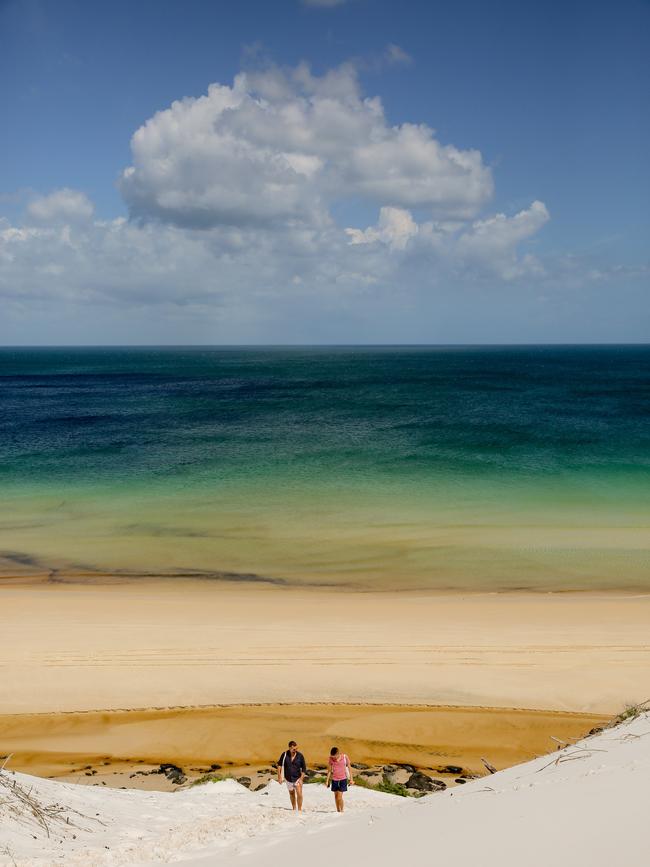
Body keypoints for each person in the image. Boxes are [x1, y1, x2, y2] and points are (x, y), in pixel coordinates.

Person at [276, 740, 307, 811]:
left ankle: (299, 809)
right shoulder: (284, 754)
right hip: (288, 778)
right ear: (289, 748)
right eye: (293, 749)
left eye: (296, 749)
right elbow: (279, 765)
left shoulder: (300, 756)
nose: (295, 750)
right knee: (292, 793)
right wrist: (279, 777)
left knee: (299, 793)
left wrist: (301, 779)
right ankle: (294, 808)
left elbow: (304, 768)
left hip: (297, 778)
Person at [325, 746, 353, 812]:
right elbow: (329, 771)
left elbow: (349, 768)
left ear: (338, 753)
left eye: (334, 756)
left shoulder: (344, 757)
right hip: (334, 780)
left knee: (339, 797)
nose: (333, 758)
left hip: (343, 779)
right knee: (336, 796)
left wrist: (351, 779)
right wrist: (327, 781)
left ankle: (342, 810)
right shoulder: (331, 759)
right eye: (332, 756)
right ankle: (338, 810)